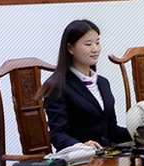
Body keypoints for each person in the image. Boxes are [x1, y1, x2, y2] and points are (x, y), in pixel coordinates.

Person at [39, 19, 130, 151]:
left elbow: (111, 130)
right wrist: (81, 146)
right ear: (70, 48)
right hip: (79, 159)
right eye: (88, 44)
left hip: (107, 156)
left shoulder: (102, 83)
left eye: (97, 42)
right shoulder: (57, 86)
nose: (95, 49)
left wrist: (142, 133)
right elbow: (58, 135)